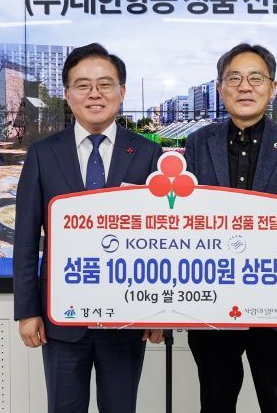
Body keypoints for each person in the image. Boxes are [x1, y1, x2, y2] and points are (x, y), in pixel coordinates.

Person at [13, 43, 164, 413]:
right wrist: (28, 311)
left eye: (104, 84)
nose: (94, 94)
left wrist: (159, 311)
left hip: (128, 314)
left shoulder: (148, 154)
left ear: (121, 91)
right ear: (68, 95)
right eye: (82, 85)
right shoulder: (43, 154)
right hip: (60, 317)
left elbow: (162, 239)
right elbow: (26, 239)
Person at [184, 43, 277, 413]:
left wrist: (253, 269)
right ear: (220, 88)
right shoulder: (198, 143)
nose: (245, 87)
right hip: (212, 296)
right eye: (235, 79)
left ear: (272, 88)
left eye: (256, 78)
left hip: (275, 294)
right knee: (215, 401)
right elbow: (187, 217)